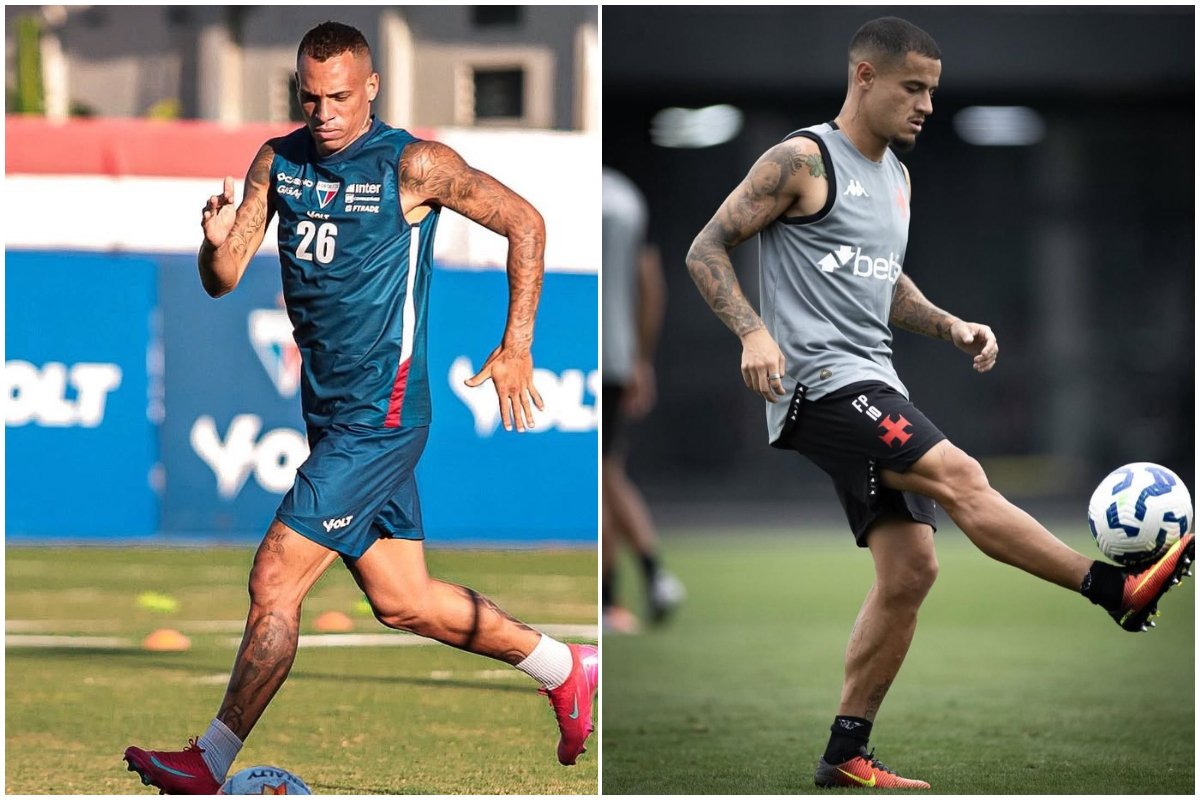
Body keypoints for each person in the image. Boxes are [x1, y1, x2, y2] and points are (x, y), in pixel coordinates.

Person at [684, 16, 1193, 791]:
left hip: (876, 381)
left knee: (912, 571)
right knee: (961, 474)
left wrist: (950, 325)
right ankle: (1113, 590)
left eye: (933, 91)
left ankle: (844, 752)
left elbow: (883, 282)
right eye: (912, 87)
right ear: (865, 78)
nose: (926, 105)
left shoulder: (897, 177)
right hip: (820, 385)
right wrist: (753, 332)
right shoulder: (801, 158)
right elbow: (706, 248)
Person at [123, 21, 597, 794]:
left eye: (338, 97)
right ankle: (564, 668)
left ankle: (208, 762)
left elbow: (526, 223)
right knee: (403, 601)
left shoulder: (416, 165)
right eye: (309, 97)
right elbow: (225, 275)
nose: (324, 113)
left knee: (275, 578)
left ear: (370, 88)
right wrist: (213, 245)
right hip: (331, 418)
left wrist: (517, 344)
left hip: (382, 419)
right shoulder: (279, 162)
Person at [601, 166, 685, 633]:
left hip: (594, 350)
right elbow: (649, 282)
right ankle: (654, 575)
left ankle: (612, 598)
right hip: (616, 354)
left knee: (603, 476)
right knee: (609, 471)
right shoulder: (625, 196)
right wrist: (641, 358)